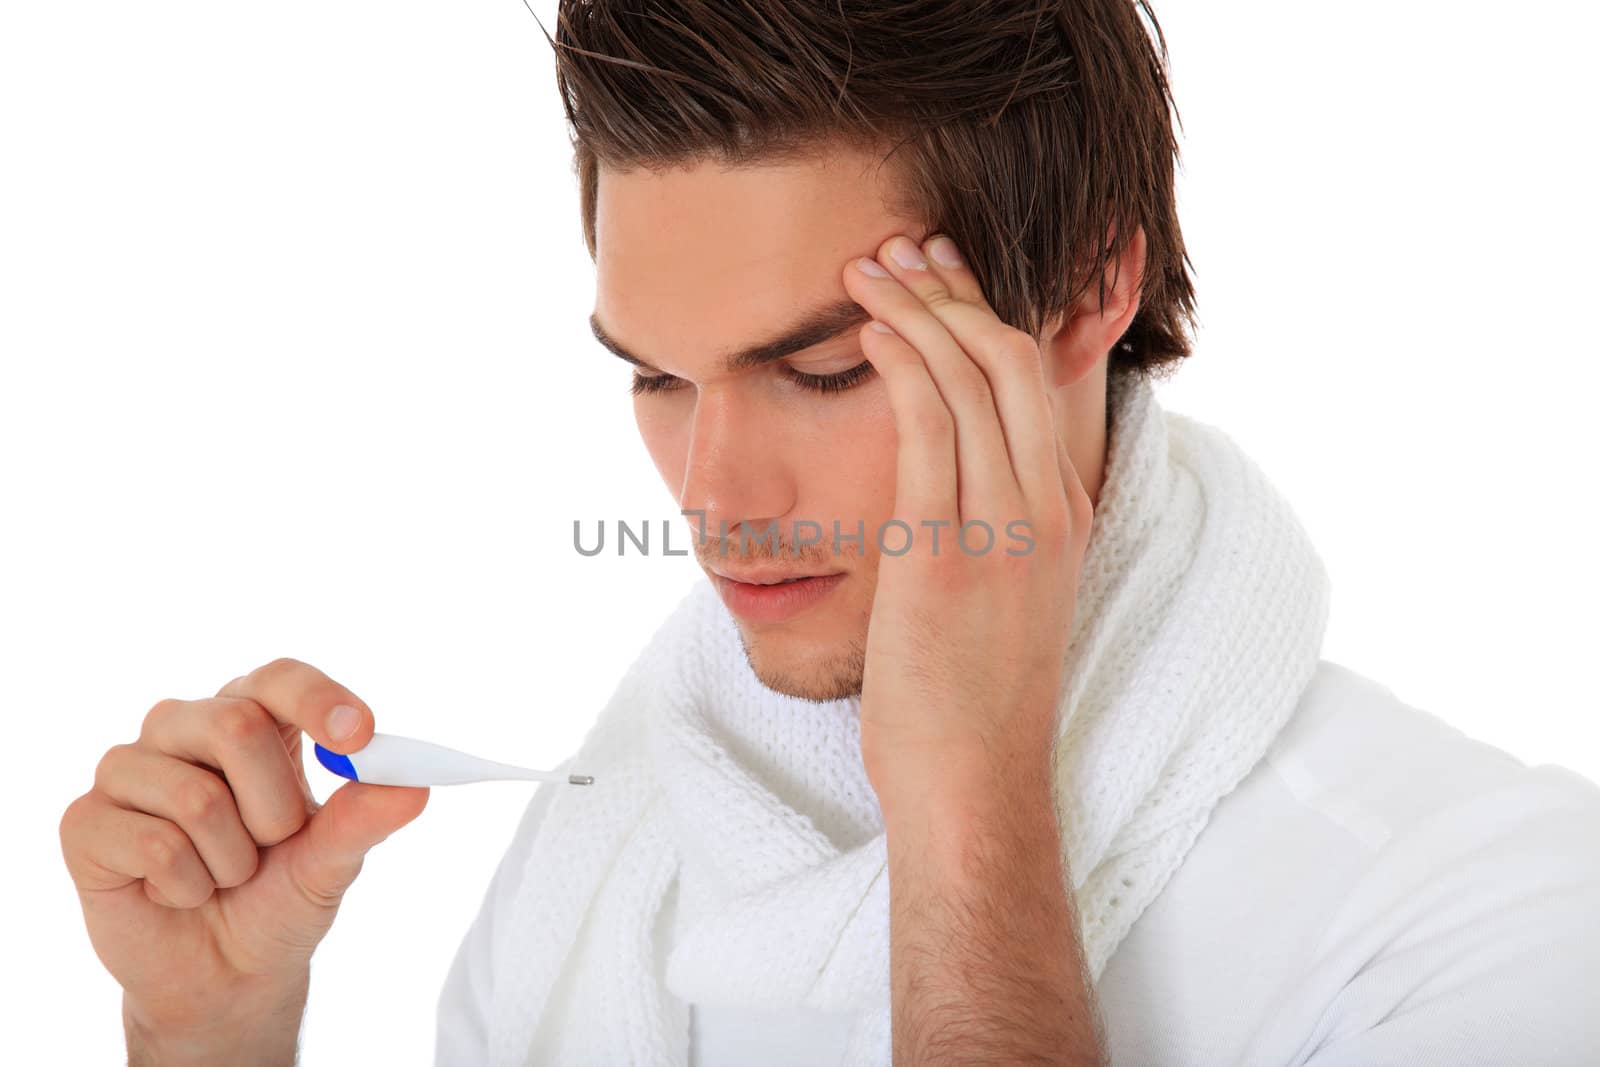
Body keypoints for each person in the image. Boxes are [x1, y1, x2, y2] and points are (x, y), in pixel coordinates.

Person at [59, 1, 1600, 1064]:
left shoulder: (1482, 912)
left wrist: (969, 793)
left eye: (824, 369)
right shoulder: (607, 858)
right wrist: (209, 1036)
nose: (715, 498)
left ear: (1085, 293)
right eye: (658, 375)